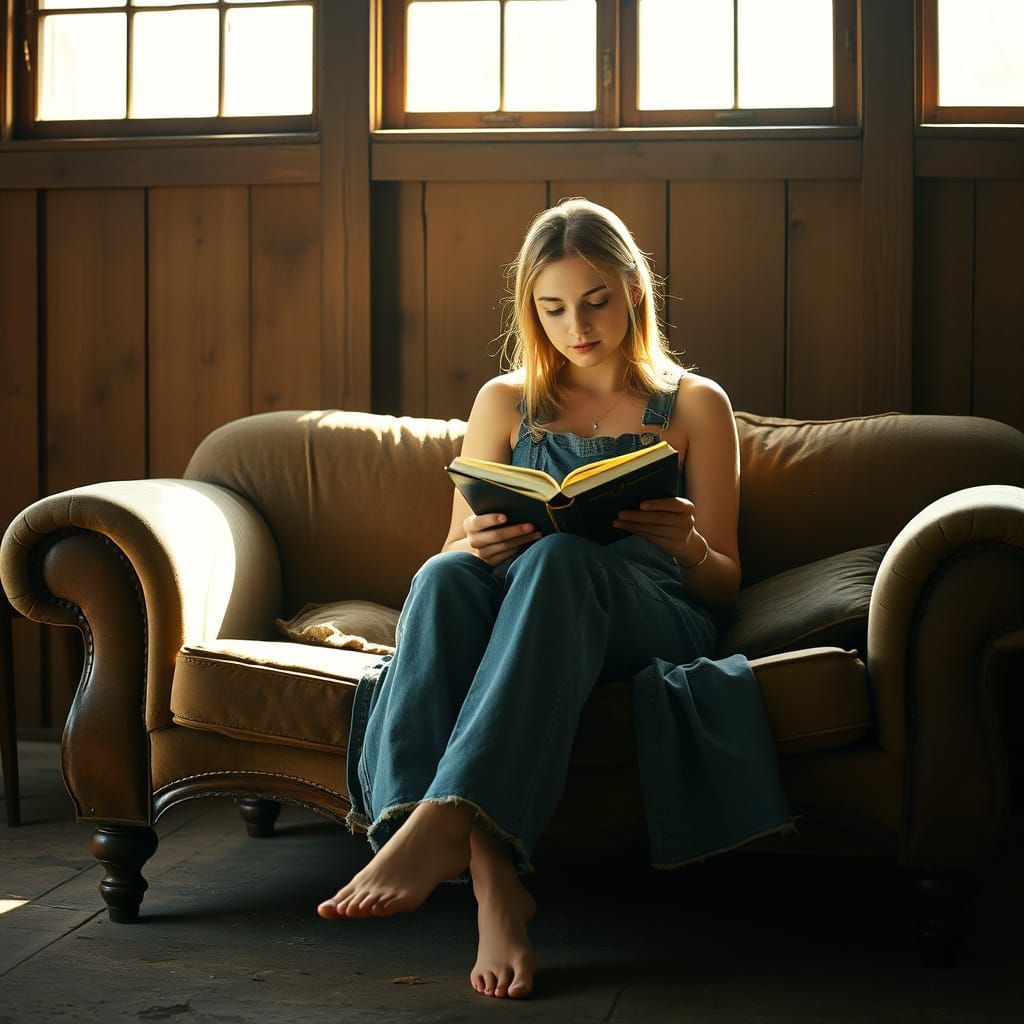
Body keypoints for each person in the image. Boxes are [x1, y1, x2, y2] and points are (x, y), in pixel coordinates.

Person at [316, 198, 788, 1000]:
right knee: (442, 578)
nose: (579, 326)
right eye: (554, 307)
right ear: (530, 309)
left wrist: (688, 544)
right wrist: (478, 543)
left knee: (564, 560)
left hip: (651, 613)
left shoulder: (695, 404)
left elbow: (725, 583)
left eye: (597, 301)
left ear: (635, 289)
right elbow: (449, 552)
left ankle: (437, 820)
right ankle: (494, 878)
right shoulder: (505, 401)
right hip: (526, 605)